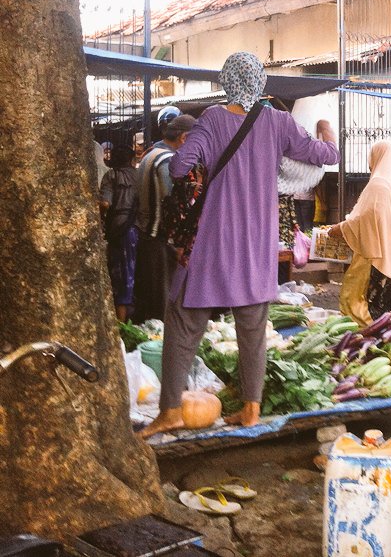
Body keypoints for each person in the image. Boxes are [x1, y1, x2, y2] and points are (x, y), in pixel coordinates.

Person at [139, 52, 339, 437]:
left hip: (212, 243)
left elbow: (180, 167)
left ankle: (170, 411)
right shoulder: (279, 122)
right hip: (258, 246)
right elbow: (325, 154)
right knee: (252, 330)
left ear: (226, 80)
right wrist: (326, 131)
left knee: (182, 323)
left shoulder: (212, 119)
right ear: (260, 82)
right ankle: (251, 409)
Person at [330, 141, 391, 326]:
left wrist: (339, 229)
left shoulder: (378, 185)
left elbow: (362, 220)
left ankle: (368, 348)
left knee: (367, 313)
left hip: (380, 263)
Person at [132, 113, 196, 323]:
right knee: (162, 302)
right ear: (184, 138)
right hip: (159, 238)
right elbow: (171, 203)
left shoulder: (150, 154)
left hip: (146, 234)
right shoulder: (167, 160)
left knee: (151, 298)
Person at [99, 144, 140, 322]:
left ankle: (121, 324)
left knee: (121, 276)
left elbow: (105, 204)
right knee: (133, 273)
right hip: (139, 229)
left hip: (120, 230)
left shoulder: (111, 175)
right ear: (131, 160)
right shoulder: (138, 175)